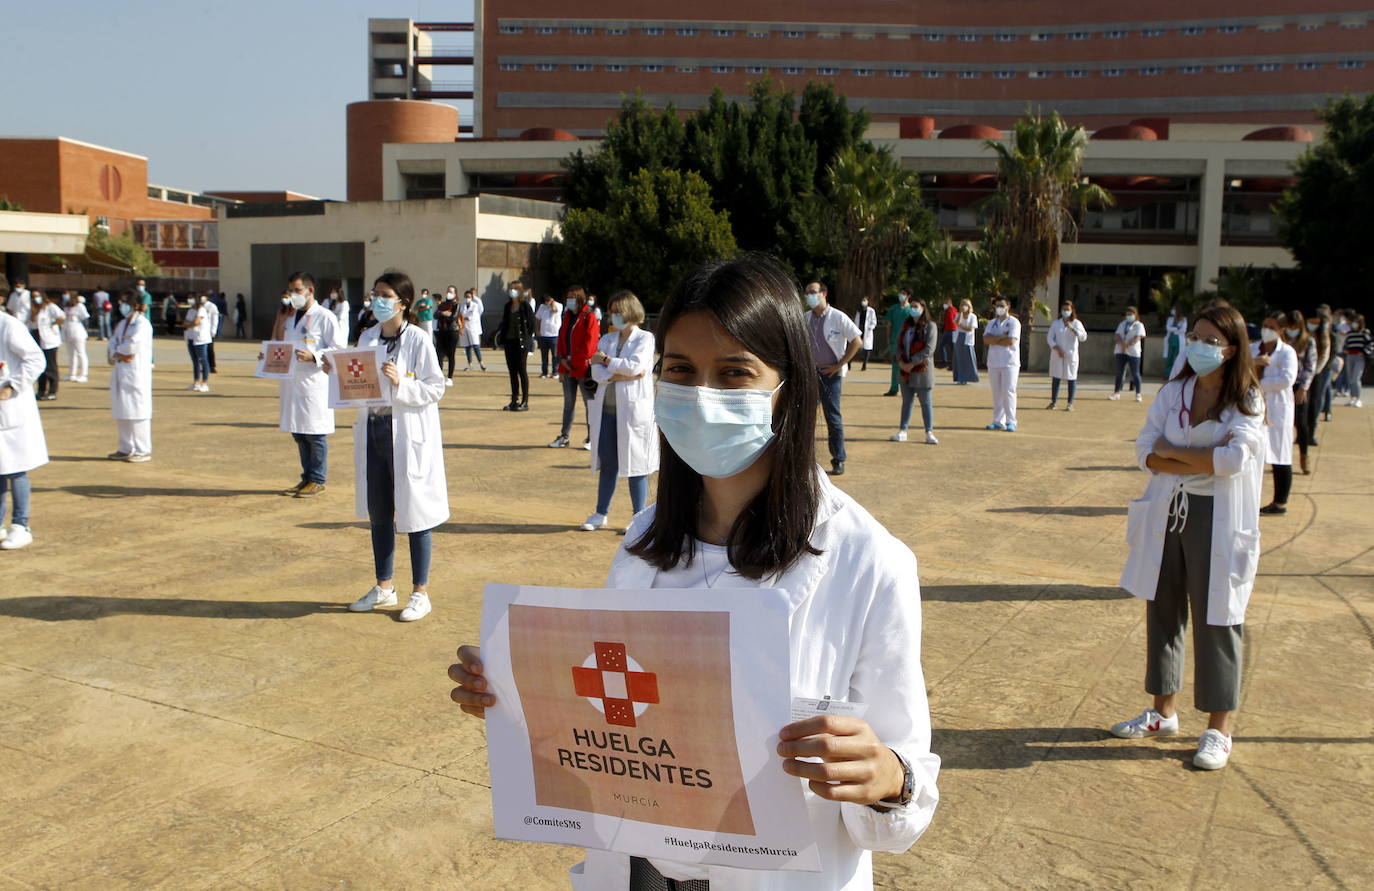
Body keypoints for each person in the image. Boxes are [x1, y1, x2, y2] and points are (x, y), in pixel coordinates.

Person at [447, 253, 940, 889]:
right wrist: (520, 697)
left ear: (789, 388)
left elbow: (905, 793)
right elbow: (617, 723)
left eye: (735, 373)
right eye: (680, 371)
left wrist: (886, 780)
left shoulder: (870, 564)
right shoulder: (645, 539)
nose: (702, 394)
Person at [1114, 304, 1263, 771]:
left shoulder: (1246, 400)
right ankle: (1163, 712)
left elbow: (1233, 461)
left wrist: (1173, 453)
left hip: (1217, 515)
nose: (1197, 347)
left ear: (1233, 348)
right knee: (1163, 608)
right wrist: (1196, 457)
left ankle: (1219, 728)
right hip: (1168, 509)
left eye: (1210, 341)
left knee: (1217, 616)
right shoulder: (1175, 391)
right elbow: (1145, 451)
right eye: (1194, 337)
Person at [332, 271, 448, 623]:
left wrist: (402, 383)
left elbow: (435, 387)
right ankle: (384, 587)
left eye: (385, 295)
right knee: (379, 513)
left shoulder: (417, 339)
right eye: (375, 294)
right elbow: (358, 379)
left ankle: (420, 593)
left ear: (403, 302)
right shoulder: (368, 335)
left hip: (407, 435)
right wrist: (336, 372)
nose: (377, 301)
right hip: (375, 432)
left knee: (415, 515)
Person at [580, 290, 658, 532]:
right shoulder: (607, 340)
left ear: (629, 312)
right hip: (607, 410)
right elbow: (597, 373)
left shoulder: (645, 338)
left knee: (636, 465)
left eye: (617, 312)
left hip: (634, 413)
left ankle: (639, 518)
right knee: (609, 464)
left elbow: (637, 367)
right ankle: (600, 513)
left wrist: (606, 363)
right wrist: (617, 371)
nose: (613, 317)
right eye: (611, 312)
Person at [273, 272, 343, 497]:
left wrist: (314, 356)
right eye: (291, 290)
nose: (293, 295)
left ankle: (318, 478)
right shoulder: (291, 317)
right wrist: (270, 358)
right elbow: (284, 345)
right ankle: (306, 477)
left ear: (310, 290)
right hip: (293, 382)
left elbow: (338, 348)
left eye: (297, 290)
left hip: (314, 383)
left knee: (315, 433)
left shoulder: (325, 316)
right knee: (299, 432)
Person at [0, 305, 48, 551]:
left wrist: (12, 385)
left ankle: (21, 525)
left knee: (15, 469)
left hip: (9, 407)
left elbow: (37, 359)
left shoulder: (9, 325)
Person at [804, 282, 863, 476]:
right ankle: (804, 459)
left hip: (831, 375)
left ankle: (838, 459)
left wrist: (840, 364)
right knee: (805, 417)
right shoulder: (806, 318)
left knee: (833, 417)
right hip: (811, 374)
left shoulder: (838, 317)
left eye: (813, 292)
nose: (810, 296)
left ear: (824, 294)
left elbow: (857, 340)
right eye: (807, 293)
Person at [1253, 313, 1299, 515]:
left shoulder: (1287, 352)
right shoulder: (1253, 349)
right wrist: (1255, 363)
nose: (1266, 330)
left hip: (1278, 409)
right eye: (1264, 325)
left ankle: (1280, 503)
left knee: (1280, 455)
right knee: (1253, 454)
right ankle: (1251, 499)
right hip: (1255, 408)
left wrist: (1258, 385)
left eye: (1271, 327)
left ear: (1281, 330)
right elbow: (1241, 370)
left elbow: (1286, 380)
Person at [550, 286, 600, 449]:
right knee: (568, 403)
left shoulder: (589, 316)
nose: (569, 300)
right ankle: (564, 436)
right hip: (567, 367)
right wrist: (562, 360)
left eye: (572, 297)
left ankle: (592, 438)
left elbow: (590, 344)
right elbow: (562, 338)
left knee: (589, 403)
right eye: (568, 296)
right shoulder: (567, 316)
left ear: (580, 298)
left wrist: (575, 362)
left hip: (583, 368)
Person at [107, 291, 154, 462]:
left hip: (136, 372)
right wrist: (117, 354)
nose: (122, 306)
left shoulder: (142, 324)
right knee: (122, 410)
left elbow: (132, 346)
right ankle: (125, 448)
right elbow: (112, 343)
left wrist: (119, 352)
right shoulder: (121, 324)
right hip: (121, 370)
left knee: (138, 411)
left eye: (125, 302)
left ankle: (142, 450)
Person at [890, 297, 939, 444]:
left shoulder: (930, 326)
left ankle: (929, 432)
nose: (913, 309)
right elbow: (898, 345)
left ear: (923, 308)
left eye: (916, 306)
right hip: (905, 371)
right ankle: (903, 430)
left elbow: (929, 349)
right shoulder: (906, 326)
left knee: (926, 402)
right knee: (907, 402)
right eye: (911, 306)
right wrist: (901, 361)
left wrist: (913, 362)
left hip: (922, 370)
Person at [495, 279, 535, 411]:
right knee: (512, 372)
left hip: (521, 342)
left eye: (515, 289)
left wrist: (527, 339)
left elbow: (531, 325)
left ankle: (525, 401)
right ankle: (514, 400)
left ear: (520, 291)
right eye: (511, 288)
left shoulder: (525, 306)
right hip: (509, 341)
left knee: (522, 370)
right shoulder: (507, 306)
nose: (512, 291)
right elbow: (505, 322)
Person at [1296, 311, 1328, 474]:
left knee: (1302, 422)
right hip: (1284, 387)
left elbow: (1312, 364)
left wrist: (1304, 387)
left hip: (1304, 383)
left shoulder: (1309, 341)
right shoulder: (1284, 340)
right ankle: (1280, 461)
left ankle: (1304, 456)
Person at [983, 296, 1021, 431]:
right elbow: (986, 340)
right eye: (997, 305)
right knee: (997, 393)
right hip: (994, 362)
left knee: (1008, 391)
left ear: (1008, 306)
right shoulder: (991, 323)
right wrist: (1001, 338)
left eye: (1001, 305)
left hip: (1009, 362)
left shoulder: (1014, 323)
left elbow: (1011, 341)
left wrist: (995, 339)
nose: (999, 308)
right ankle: (998, 421)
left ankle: (1011, 421)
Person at [1046, 300, 1087, 411]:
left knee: (1071, 378)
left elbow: (1083, 337)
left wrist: (1073, 329)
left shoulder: (1076, 323)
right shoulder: (1056, 323)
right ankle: (1053, 402)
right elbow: (1050, 338)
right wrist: (1057, 349)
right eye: (1064, 309)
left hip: (1071, 355)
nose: (1065, 312)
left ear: (1072, 310)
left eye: (1067, 310)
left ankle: (1070, 403)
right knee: (1056, 378)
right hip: (1057, 354)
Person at [31, 291, 63, 402]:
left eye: (38, 296)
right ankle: (41, 391)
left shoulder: (51, 307)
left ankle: (52, 391)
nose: (36, 298)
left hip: (50, 340)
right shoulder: (34, 308)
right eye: (34, 297)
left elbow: (61, 317)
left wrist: (53, 324)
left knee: (51, 366)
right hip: (38, 338)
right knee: (40, 367)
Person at [1111, 306, 1147, 402]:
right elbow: (1117, 335)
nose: (1129, 316)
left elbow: (1138, 337)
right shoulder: (1122, 324)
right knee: (1120, 373)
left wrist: (1126, 345)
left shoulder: (1139, 325)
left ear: (1135, 315)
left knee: (1135, 373)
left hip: (1133, 351)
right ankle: (1116, 393)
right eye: (1127, 315)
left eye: (1131, 315)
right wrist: (1122, 344)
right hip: (1120, 350)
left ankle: (1138, 394)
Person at [882, 288, 911, 396]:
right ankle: (894, 388)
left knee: (909, 364)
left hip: (908, 341)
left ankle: (912, 387)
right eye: (900, 293)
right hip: (895, 341)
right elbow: (889, 324)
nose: (901, 295)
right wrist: (889, 339)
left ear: (909, 296)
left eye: (904, 294)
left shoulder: (911, 309)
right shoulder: (894, 309)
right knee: (895, 365)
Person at [183, 295, 213, 393]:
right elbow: (185, 321)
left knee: (203, 360)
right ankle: (196, 382)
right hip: (191, 337)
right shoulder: (190, 310)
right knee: (195, 361)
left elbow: (196, 322)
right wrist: (189, 324)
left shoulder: (202, 310)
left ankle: (204, 383)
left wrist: (189, 324)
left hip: (201, 338)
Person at [434, 287, 461, 386]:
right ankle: (439, 375)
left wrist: (444, 315)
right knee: (439, 354)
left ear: (455, 294)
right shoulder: (442, 305)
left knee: (451, 355)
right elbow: (435, 315)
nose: (448, 293)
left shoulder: (457, 305)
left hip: (452, 332)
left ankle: (449, 377)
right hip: (441, 331)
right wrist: (444, 313)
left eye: (451, 292)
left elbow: (453, 317)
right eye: (448, 291)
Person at [62, 292, 91, 383]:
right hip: (68, 332)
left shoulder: (80, 306)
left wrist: (86, 329)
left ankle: (83, 374)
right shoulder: (66, 307)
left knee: (81, 353)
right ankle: (72, 374)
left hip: (78, 332)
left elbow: (85, 318)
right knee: (71, 355)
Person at [1343, 314, 1371, 408]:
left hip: (1359, 357)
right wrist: (1345, 349)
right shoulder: (1349, 333)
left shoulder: (1364, 333)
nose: (1354, 324)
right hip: (1350, 356)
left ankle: (1358, 399)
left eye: (1356, 322)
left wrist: (1364, 352)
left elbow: (1371, 344)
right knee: (1350, 378)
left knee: (1356, 378)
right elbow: (1346, 344)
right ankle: (1352, 398)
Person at [535, 292, 563, 379]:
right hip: (544, 334)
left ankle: (555, 372)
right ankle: (544, 372)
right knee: (544, 355)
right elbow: (538, 318)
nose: (545, 304)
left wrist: (552, 303)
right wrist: (537, 330)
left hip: (554, 334)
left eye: (546, 302)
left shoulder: (559, 305)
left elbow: (554, 310)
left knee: (555, 355)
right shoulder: (542, 307)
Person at [952, 298, 979, 384]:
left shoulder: (973, 316)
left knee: (968, 358)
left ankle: (970, 377)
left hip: (967, 339)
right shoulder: (958, 314)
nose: (964, 307)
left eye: (966, 305)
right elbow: (956, 324)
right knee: (959, 358)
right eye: (962, 305)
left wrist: (961, 326)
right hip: (958, 338)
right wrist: (961, 314)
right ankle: (960, 378)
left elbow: (970, 328)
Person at [458, 288, 485, 370]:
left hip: (473, 327)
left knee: (476, 345)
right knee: (467, 347)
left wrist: (463, 318)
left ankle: (481, 363)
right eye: (466, 296)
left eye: (469, 296)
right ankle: (470, 364)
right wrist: (461, 323)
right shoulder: (461, 305)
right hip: (464, 327)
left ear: (471, 297)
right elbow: (460, 316)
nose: (467, 298)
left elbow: (471, 317)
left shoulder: (475, 305)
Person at [851, 297, 877, 371]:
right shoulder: (859, 311)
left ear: (868, 301)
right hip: (859, 330)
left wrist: (870, 328)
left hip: (867, 331)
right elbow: (856, 321)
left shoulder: (871, 311)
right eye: (862, 300)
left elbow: (874, 321)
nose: (863, 302)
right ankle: (849, 363)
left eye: (865, 300)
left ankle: (864, 364)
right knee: (855, 346)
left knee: (867, 349)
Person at [1163, 305, 1188, 380]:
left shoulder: (1183, 319)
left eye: (1174, 309)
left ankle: (1177, 374)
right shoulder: (1170, 319)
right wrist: (1176, 328)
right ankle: (1167, 374)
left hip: (1179, 340)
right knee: (1169, 357)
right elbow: (1168, 328)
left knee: (1178, 357)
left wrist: (1173, 329)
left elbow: (1183, 330)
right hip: (1170, 339)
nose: (1172, 311)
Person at [937, 297, 958, 369]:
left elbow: (950, 320)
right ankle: (954, 364)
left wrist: (942, 325)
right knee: (953, 348)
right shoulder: (955, 310)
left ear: (949, 303)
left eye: (945, 303)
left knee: (941, 346)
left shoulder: (950, 310)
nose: (944, 305)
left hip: (950, 330)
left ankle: (945, 362)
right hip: (953, 330)